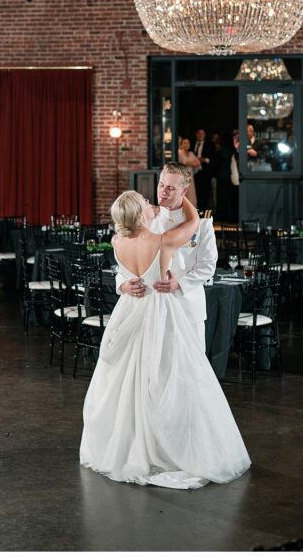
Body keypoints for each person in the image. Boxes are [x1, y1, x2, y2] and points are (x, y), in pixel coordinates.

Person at [80, 190, 250, 489]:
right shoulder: (163, 240)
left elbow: (122, 274)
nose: (151, 202)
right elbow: (196, 221)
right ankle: (169, 445)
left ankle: (128, 442)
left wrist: (123, 285)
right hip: (159, 310)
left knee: (129, 379)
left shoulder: (118, 241)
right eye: (145, 202)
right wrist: (183, 197)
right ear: (139, 213)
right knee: (167, 376)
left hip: (130, 312)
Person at [115, 163, 217, 350]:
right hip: (150, 308)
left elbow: (207, 266)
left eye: (170, 188)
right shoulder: (145, 217)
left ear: (184, 190)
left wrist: (179, 283)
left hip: (186, 306)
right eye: (161, 185)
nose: (163, 192)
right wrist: (122, 283)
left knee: (189, 368)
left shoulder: (201, 222)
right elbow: (126, 258)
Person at [192, 129, 216, 211]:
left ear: (205, 135)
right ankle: (196, 213)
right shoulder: (192, 144)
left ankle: (205, 214)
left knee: (205, 194)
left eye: (202, 134)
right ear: (196, 134)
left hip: (205, 172)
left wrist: (205, 159)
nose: (200, 135)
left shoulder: (210, 144)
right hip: (194, 173)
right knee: (195, 194)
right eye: (199, 134)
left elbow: (214, 158)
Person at [176, 137, 201, 206]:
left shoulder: (191, 153)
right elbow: (183, 163)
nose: (187, 144)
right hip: (182, 177)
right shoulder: (179, 152)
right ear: (181, 144)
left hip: (190, 177)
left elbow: (198, 163)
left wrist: (188, 163)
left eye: (188, 143)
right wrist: (191, 163)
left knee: (191, 194)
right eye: (185, 143)